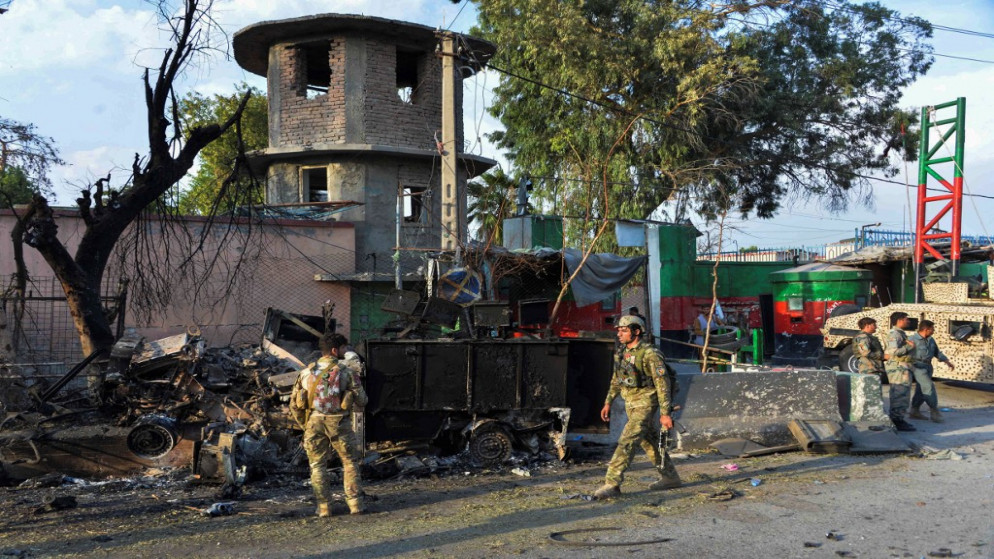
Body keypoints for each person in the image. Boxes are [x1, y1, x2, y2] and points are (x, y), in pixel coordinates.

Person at [593, 315, 681, 499]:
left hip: (646, 403)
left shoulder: (651, 354)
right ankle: (670, 477)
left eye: (624, 330)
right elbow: (617, 379)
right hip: (630, 403)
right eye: (619, 330)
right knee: (650, 442)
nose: (619, 334)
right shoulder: (622, 352)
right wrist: (608, 401)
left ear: (636, 331)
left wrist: (665, 413)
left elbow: (662, 384)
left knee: (627, 440)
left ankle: (612, 483)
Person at [289, 332, 368, 517]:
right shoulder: (346, 372)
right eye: (343, 348)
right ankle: (355, 505)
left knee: (317, 466)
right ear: (334, 350)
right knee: (349, 463)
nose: (346, 351)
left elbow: (294, 404)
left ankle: (323, 508)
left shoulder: (306, 373)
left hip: (314, 422)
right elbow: (362, 400)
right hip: (339, 422)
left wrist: (305, 425)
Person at [908, 319, 954, 423]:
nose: (933, 331)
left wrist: (947, 361)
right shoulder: (912, 339)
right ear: (926, 329)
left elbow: (937, 352)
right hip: (917, 366)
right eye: (932, 329)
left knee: (921, 390)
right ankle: (934, 411)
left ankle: (914, 411)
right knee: (928, 386)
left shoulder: (930, 340)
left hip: (928, 366)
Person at [884, 312, 917, 432]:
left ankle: (897, 418)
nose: (908, 321)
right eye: (906, 319)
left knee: (901, 393)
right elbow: (893, 352)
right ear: (899, 320)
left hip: (902, 367)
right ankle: (897, 420)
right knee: (900, 394)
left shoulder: (900, 334)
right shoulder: (895, 334)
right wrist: (910, 347)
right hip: (898, 368)